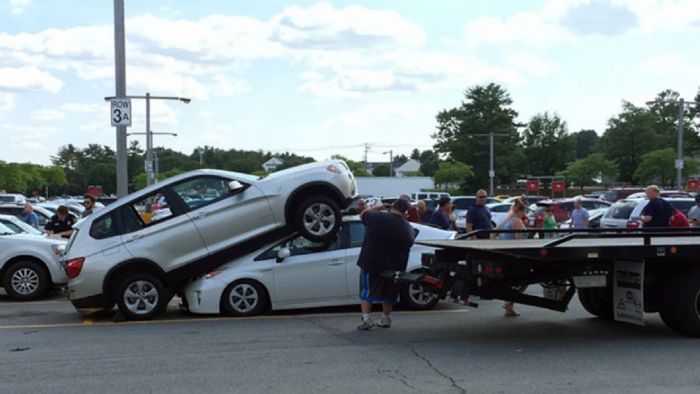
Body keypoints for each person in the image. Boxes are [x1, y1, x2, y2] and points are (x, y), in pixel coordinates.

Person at [356, 199, 415, 330]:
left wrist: (380, 206)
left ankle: (366, 319)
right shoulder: (407, 226)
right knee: (389, 292)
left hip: (372, 263)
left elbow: (363, 214)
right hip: (394, 266)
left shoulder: (377, 217)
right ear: (405, 212)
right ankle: (386, 318)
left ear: (392, 207)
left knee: (366, 291)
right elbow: (410, 242)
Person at [493, 198, 528, 316]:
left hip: (504, 253)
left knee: (510, 281)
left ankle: (509, 307)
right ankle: (509, 302)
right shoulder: (517, 222)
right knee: (524, 280)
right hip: (513, 254)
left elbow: (493, 232)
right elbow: (518, 240)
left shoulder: (505, 220)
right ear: (521, 211)